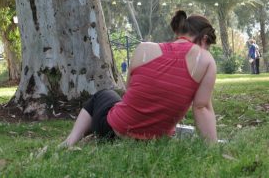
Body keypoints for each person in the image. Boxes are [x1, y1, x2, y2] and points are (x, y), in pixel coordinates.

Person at [62, 10, 217, 147]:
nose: (206, 50)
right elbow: (201, 108)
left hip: (112, 132)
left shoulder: (144, 48)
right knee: (108, 97)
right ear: (204, 39)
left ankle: (70, 141)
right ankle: (82, 138)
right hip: (156, 141)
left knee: (103, 95)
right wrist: (212, 147)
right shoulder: (206, 59)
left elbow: (129, 93)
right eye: (208, 46)